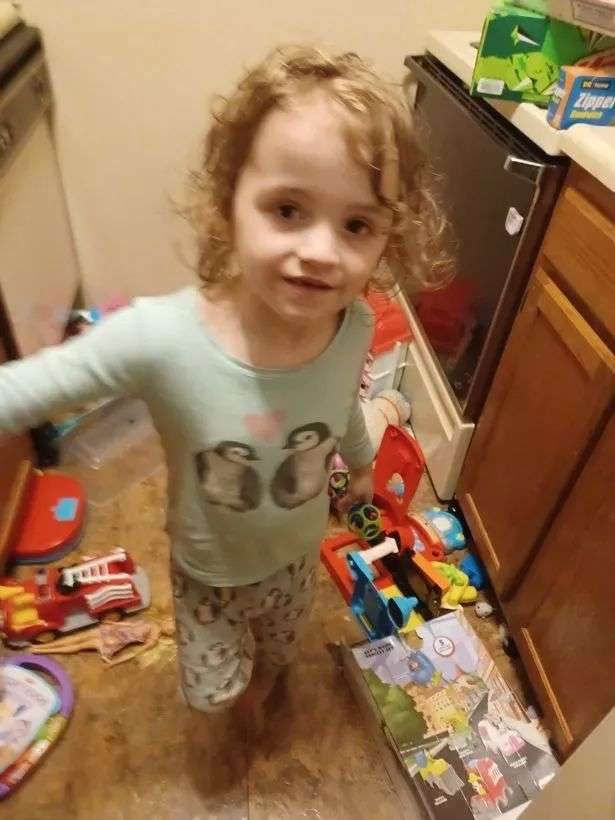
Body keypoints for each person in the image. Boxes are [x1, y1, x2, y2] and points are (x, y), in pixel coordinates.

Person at [0, 44, 450, 722]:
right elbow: (23, 390)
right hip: (209, 574)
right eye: (287, 209)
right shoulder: (161, 338)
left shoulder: (353, 324)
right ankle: (234, 708)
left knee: (277, 656)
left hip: (295, 556)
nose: (321, 251)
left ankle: (263, 693)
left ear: (389, 235)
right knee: (211, 697)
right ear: (229, 200)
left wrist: (360, 467)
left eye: (357, 224)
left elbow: (340, 408)